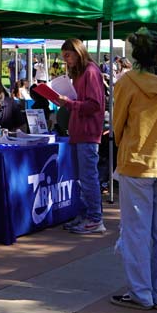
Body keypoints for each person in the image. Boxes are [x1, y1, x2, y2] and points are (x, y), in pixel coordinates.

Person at [109, 28, 157, 310]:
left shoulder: (127, 81)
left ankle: (141, 293)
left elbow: (118, 124)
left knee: (136, 231)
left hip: (137, 161)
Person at [47, 38, 106, 235]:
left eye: (68, 56)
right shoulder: (81, 73)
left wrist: (69, 103)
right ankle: (85, 214)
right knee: (79, 178)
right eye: (64, 57)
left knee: (88, 177)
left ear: (77, 53)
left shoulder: (90, 71)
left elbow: (95, 105)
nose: (66, 61)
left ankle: (95, 217)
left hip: (88, 132)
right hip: (77, 131)